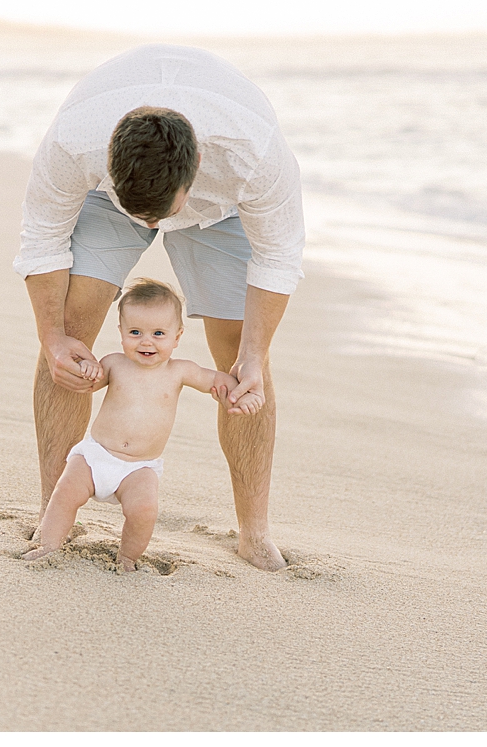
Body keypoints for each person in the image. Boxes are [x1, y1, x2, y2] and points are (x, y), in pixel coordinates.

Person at [15, 43, 304, 570]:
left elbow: (278, 257)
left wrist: (257, 357)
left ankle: (254, 533)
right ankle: (51, 512)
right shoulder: (74, 139)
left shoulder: (253, 153)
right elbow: (42, 239)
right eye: (138, 214)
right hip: (106, 196)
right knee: (70, 332)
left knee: (240, 360)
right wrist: (51, 337)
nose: (149, 227)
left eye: (158, 214)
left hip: (221, 208)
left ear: (196, 165)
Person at [22, 279, 262, 571]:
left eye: (158, 334)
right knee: (63, 495)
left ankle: (127, 559)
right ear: (121, 333)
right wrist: (87, 370)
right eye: (135, 332)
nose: (146, 341)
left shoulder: (181, 371)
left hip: (139, 467)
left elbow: (218, 381)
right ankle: (48, 544)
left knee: (144, 511)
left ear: (177, 337)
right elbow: (90, 384)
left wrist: (239, 396)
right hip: (95, 456)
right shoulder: (114, 363)